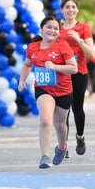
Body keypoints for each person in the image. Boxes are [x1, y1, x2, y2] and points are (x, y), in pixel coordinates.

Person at [18, 15, 78, 169]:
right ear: (41, 29)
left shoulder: (63, 46)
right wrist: (22, 80)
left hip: (64, 91)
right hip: (43, 88)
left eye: (56, 28)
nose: (52, 30)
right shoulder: (33, 47)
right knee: (45, 120)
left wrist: (56, 67)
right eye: (49, 27)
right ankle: (44, 157)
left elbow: (73, 68)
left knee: (60, 125)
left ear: (59, 32)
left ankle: (61, 147)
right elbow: (27, 64)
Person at [59, 0, 94, 157]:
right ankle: (63, 145)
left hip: (79, 72)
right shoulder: (57, 28)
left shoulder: (84, 28)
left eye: (73, 7)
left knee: (77, 108)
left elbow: (91, 54)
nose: (71, 9)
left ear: (77, 10)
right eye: (67, 7)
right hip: (62, 73)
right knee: (62, 110)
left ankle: (80, 137)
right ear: (62, 10)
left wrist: (79, 40)